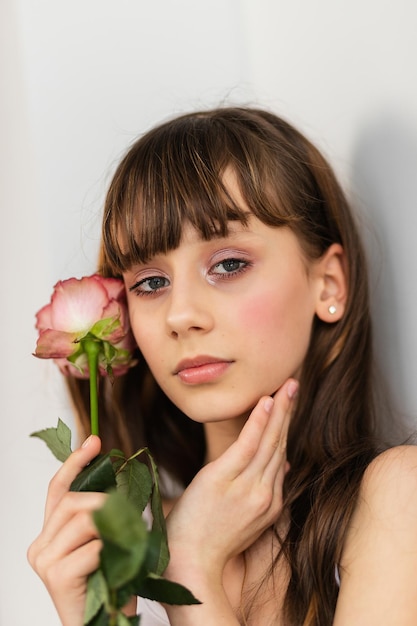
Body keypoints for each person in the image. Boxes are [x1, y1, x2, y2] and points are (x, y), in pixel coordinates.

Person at [28, 107, 417, 626]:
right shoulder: (118, 542)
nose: (180, 316)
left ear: (329, 284)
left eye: (228, 265)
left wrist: (192, 571)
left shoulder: (394, 499)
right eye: (150, 283)